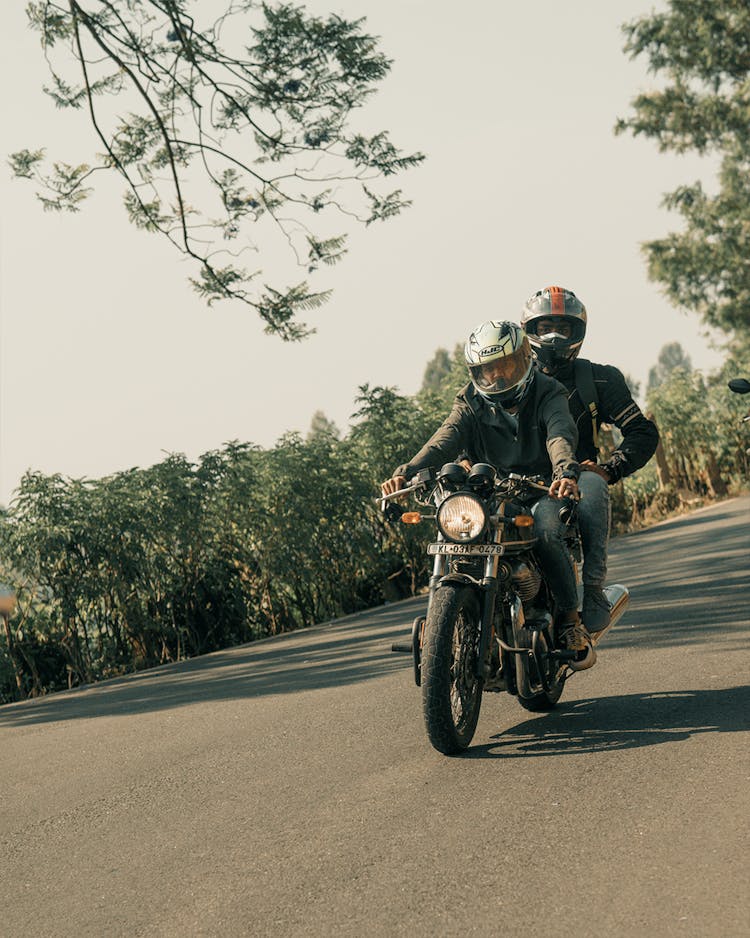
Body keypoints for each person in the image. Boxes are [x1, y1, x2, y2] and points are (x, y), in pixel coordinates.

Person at [381, 320, 596, 670]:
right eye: (487, 369)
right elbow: (444, 438)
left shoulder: (548, 391)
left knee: (545, 530)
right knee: (455, 532)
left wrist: (565, 473)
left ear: (525, 358)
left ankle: (571, 620)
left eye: (504, 365)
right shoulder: (469, 400)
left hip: (541, 486)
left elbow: (560, 433)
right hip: (490, 490)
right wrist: (405, 472)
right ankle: (444, 627)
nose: (496, 376)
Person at [520, 285, 659, 635]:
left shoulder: (599, 378)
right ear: (529, 332)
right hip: (518, 481)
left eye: (563, 328)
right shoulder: (510, 380)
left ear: (577, 333)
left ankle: (594, 591)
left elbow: (642, 431)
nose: (553, 335)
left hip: (575, 479)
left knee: (594, 485)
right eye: (544, 326)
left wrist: (611, 468)